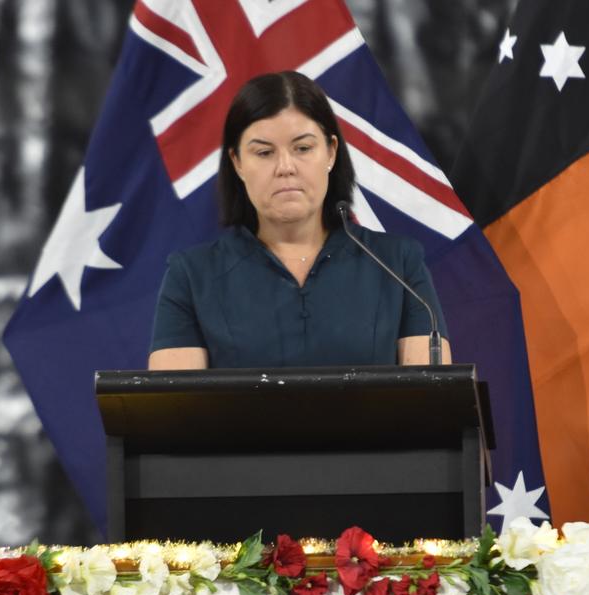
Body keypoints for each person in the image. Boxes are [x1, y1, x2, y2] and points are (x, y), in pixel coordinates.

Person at [147, 70, 451, 370]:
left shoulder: (398, 265)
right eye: (264, 153)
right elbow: (175, 413)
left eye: (303, 148)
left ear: (331, 153)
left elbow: (433, 405)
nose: (285, 167)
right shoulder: (191, 276)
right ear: (237, 162)